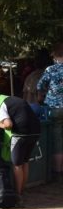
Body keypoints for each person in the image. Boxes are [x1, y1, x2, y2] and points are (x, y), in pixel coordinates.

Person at [0, 94, 41, 206]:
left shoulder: (0, 104)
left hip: (21, 133)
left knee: (17, 165)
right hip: (36, 131)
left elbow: (8, 124)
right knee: (24, 162)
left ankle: (18, 195)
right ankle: (22, 191)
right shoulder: (15, 100)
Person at [37, 43, 63, 179]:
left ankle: (57, 170)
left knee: (56, 138)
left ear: (55, 56)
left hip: (54, 107)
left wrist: (46, 92)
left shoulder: (51, 69)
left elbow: (39, 85)